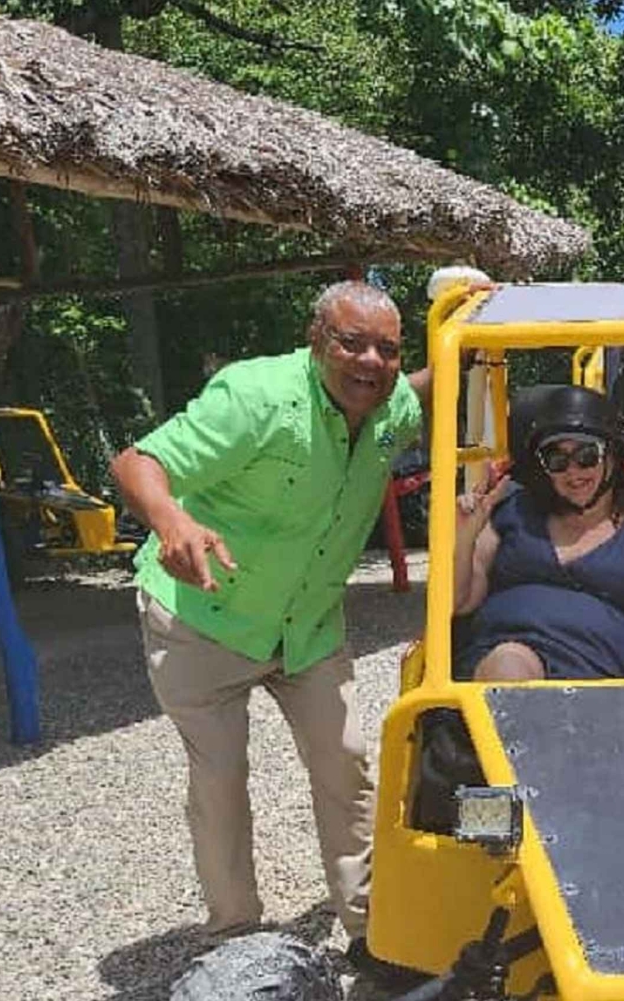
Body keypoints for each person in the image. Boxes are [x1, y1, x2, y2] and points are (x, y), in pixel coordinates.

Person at [110, 280, 430, 981]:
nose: (370, 360)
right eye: (352, 342)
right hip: (204, 616)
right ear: (317, 340)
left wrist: (471, 320)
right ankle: (235, 939)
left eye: (386, 347)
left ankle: (374, 930)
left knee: (347, 766)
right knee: (221, 777)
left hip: (307, 627)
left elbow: (426, 382)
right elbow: (138, 462)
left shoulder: (390, 406)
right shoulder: (255, 396)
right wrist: (174, 522)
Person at [453, 385, 624, 681]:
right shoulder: (512, 512)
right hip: (503, 656)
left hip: (600, 683)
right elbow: (460, 600)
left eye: (586, 456)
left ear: (612, 457)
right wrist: (464, 537)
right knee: (510, 666)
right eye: (556, 459)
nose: (573, 472)